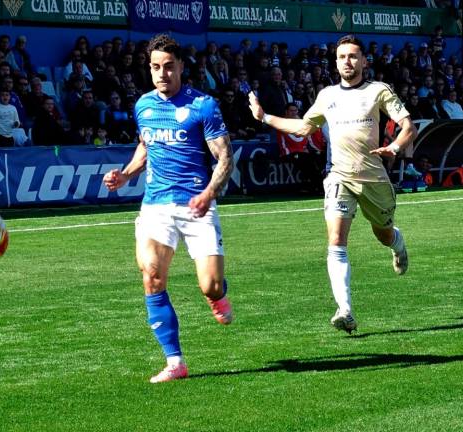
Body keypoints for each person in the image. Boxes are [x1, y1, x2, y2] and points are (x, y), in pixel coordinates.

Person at [248, 35, 415, 333]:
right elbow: (303, 128)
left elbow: (408, 126)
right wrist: (264, 117)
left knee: (383, 233)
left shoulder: (378, 90)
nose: (347, 61)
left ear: (364, 61)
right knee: (336, 239)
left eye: (353, 56)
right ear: (335, 63)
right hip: (339, 176)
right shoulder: (327, 95)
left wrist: (395, 147)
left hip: (373, 177)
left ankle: (397, 243)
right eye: (341, 57)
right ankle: (345, 309)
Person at [102, 34, 234, 383]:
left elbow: (225, 157)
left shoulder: (203, 105)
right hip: (156, 206)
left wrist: (209, 193)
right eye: (155, 67)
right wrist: (126, 174)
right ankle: (175, 361)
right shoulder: (143, 105)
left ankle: (217, 294)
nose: (162, 73)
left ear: (181, 67)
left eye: (169, 66)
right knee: (152, 275)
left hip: (197, 205)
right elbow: (146, 146)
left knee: (210, 286)